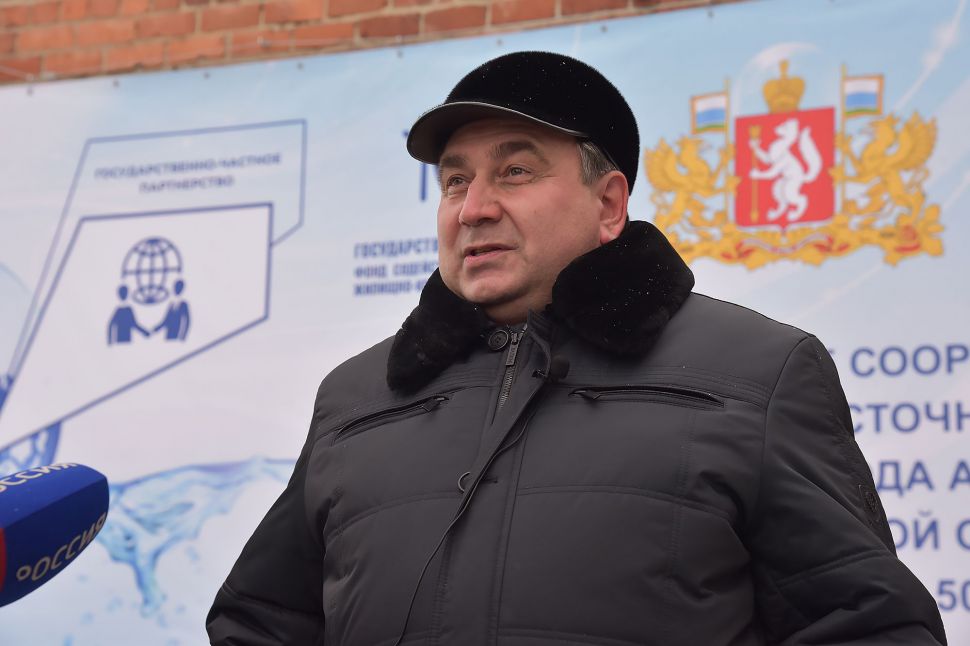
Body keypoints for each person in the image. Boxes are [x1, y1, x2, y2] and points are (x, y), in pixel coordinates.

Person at [207, 51, 946, 645]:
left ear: (609, 204)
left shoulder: (756, 374)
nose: (473, 208)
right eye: (455, 181)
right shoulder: (355, 400)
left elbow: (871, 627)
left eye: (515, 171)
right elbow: (260, 624)